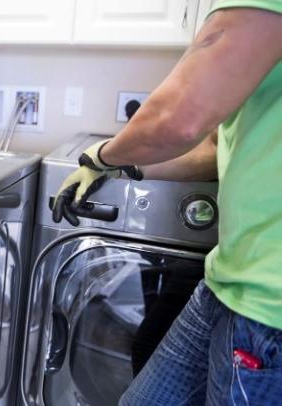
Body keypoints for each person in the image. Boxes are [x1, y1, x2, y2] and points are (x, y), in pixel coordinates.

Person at [52, 1, 282, 404]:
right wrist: (118, 169)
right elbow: (213, 145)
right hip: (229, 280)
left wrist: (103, 155)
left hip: (269, 306)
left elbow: (179, 117)